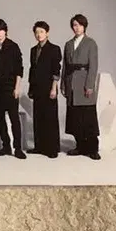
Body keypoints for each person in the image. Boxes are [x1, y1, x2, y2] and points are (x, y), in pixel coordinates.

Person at [0, 18, 26, 159]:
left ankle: (18, 148)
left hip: (10, 87)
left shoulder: (13, 47)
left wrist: (17, 88)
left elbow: (19, 69)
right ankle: (6, 146)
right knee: (0, 118)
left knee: (14, 118)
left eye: (1, 30)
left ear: (5, 31)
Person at [62, 14, 100, 160]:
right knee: (75, 117)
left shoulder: (91, 43)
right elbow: (65, 67)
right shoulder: (68, 44)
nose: (76, 28)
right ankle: (80, 146)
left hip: (84, 82)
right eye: (74, 25)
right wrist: (63, 84)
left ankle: (93, 149)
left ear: (84, 26)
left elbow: (93, 66)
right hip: (71, 82)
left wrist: (89, 85)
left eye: (79, 25)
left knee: (88, 117)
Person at [28, 20, 61, 159]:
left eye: (41, 32)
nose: (39, 34)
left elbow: (56, 70)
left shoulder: (54, 49)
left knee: (50, 118)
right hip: (37, 88)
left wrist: (54, 88)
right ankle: (39, 147)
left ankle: (52, 149)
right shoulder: (33, 50)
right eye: (36, 32)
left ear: (47, 33)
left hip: (49, 87)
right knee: (38, 117)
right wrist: (30, 88)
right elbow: (32, 70)